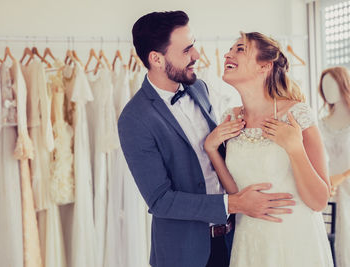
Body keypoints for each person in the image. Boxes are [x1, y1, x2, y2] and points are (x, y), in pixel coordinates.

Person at [118, 11, 295, 267]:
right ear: (156, 58)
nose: (197, 56)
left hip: (235, 241)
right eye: (186, 50)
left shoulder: (198, 88)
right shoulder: (134, 118)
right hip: (184, 254)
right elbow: (160, 200)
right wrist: (234, 203)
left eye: (194, 45)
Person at [204, 31, 334, 267]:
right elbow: (237, 192)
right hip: (249, 243)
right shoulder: (230, 118)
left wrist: (294, 148)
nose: (227, 54)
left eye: (240, 49)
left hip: (295, 243)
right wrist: (212, 149)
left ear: (264, 66)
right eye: (231, 49)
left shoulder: (297, 114)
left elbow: (319, 201)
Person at [318, 66, 350, 267]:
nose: (327, 90)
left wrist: (344, 175)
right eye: (324, 86)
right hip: (330, 192)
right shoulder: (320, 124)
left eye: (332, 84)